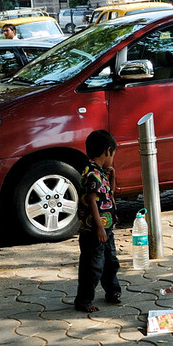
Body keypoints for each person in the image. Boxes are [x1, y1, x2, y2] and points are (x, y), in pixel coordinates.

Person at [73, 129, 122, 313]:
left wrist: (112, 176)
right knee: (92, 266)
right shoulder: (92, 174)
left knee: (110, 262)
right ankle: (84, 300)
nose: (112, 158)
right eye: (113, 155)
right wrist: (99, 227)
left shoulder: (101, 173)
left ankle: (113, 291)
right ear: (107, 151)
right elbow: (92, 200)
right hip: (95, 230)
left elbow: (111, 193)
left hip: (107, 229)